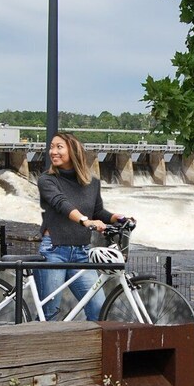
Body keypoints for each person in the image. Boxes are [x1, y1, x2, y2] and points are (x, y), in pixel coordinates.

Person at [36, 132, 130, 321]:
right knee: (49, 314)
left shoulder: (92, 183)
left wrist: (118, 218)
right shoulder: (47, 180)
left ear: (74, 150)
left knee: (99, 311)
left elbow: (98, 212)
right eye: (51, 147)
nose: (53, 151)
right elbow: (61, 203)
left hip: (82, 253)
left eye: (59, 147)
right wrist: (85, 221)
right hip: (54, 251)